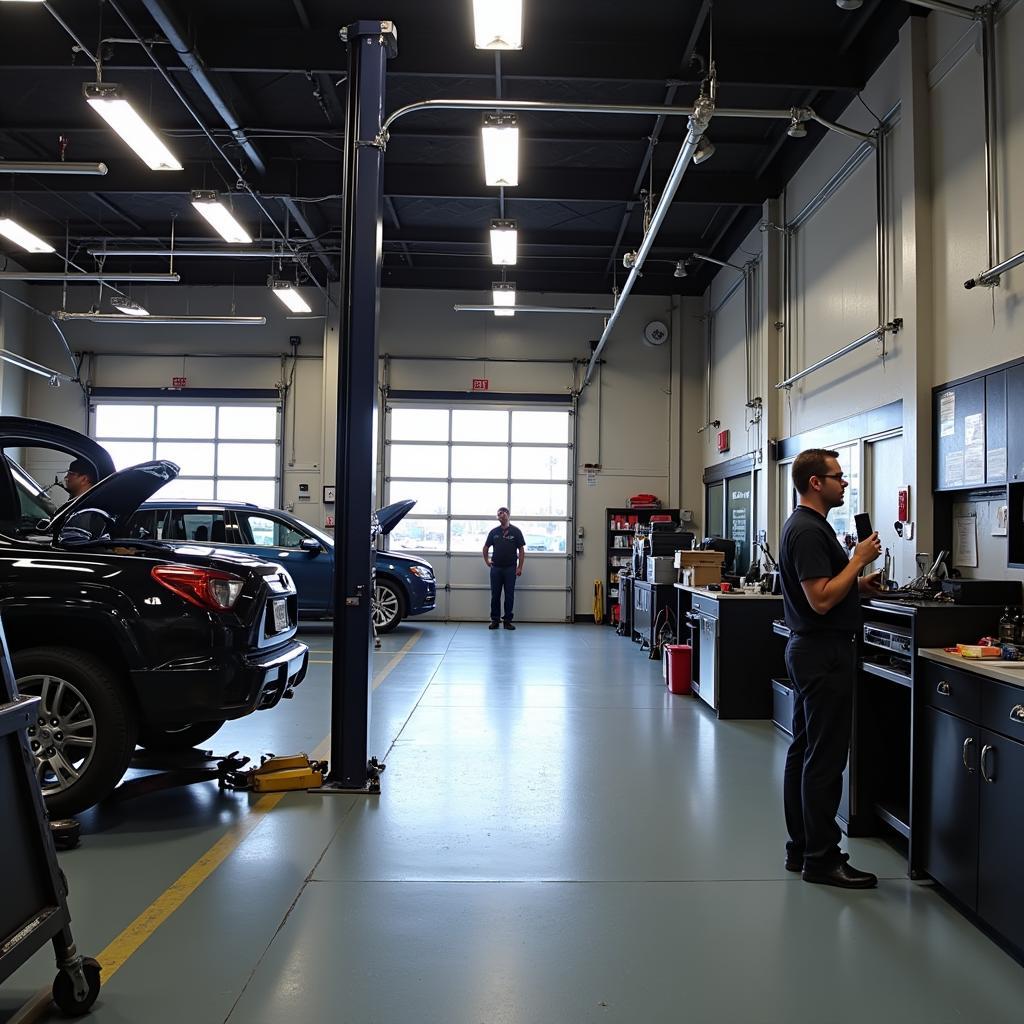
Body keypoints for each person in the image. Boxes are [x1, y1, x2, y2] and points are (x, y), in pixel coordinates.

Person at [779, 448, 882, 889]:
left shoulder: (810, 527)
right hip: (823, 654)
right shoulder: (806, 530)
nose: (845, 484)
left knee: (805, 751)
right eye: (838, 477)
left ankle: (801, 848)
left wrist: (857, 582)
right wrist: (858, 559)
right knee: (823, 758)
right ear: (816, 483)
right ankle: (822, 858)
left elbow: (822, 588)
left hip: (813, 651)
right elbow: (820, 599)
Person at [482, 507, 525, 630]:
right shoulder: (494, 532)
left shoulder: (516, 531)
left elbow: (521, 550)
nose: (500, 515)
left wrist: (519, 567)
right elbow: (485, 548)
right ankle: (495, 620)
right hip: (496, 569)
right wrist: (487, 561)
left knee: (509, 595)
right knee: (495, 595)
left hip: (510, 569)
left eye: (502, 513)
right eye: (498, 514)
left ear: (508, 515)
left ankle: (507, 621)